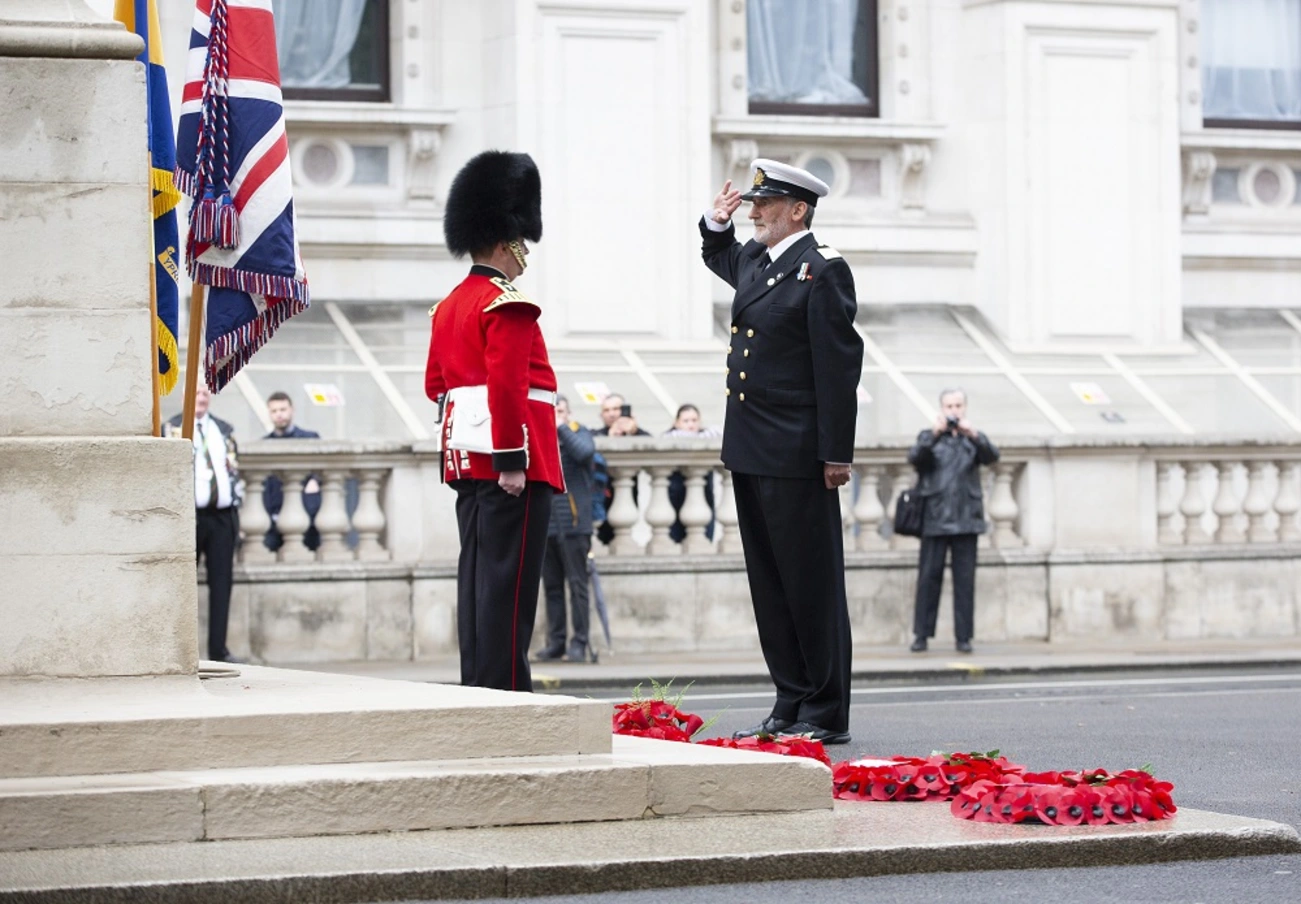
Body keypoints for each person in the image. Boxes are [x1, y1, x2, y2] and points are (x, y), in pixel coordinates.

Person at [699, 158, 864, 745]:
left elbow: (839, 367)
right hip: (749, 446)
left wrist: (835, 453)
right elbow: (722, 258)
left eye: (764, 204)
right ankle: (790, 699)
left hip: (797, 453)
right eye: (751, 203)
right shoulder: (759, 262)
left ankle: (825, 710)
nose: (753, 211)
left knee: (810, 583)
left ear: (798, 210)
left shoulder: (822, 271)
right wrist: (713, 225)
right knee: (770, 585)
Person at [425, 149, 563, 693]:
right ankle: (506, 691)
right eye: (520, 246)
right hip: (514, 464)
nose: (522, 256)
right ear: (507, 242)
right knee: (509, 586)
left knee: (479, 578)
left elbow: (436, 387)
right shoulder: (504, 304)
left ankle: (479, 684)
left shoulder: (450, 305)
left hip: (466, 460)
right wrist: (510, 459)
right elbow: (507, 387)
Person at [906, 388, 1000, 655]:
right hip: (935, 518)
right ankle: (921, 635)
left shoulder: (973, 439)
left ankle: (964, 637)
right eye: (949, 406)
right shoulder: (929, 437)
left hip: (966, 520)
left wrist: (974, 434)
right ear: (941, 408)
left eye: (958, 405)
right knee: (928, 579)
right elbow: (914, 458)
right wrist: (935, 434)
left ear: (965, 408)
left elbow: (993, 457)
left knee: (964, 581)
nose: (954, 411)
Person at [165, 384, 243, 663]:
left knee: (222, 583)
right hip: (190, 517)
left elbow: (235, 468)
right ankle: (181, 652)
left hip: (222, 517)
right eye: (196, 393)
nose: (202, 398)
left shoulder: (224, 428)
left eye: (205, 393)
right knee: (183, 585)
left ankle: (219, 650)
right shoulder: (171, 427)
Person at [537, 395, 599, 664]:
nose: (555, 414)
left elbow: (585, 453)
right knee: (552, 587)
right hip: (547, 525)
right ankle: (556, 641)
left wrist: (561, 426)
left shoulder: (578, 433)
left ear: (568, 413)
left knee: (577, 586)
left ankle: (580, 642)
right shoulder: (541, 436)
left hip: (574, 525)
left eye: (560, 410)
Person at [261, 391, 321, 552]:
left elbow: (320, 470)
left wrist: (315, 480)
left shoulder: (310, 438)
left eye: (282, 409)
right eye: (274, 411)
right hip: (273, 518)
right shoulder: (264, 444)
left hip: (307, 517)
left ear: (291, 410)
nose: (279, 415)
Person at [592, 391, 650, 546]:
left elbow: (652, 447)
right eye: (606, 410)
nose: (611, 414)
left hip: (627, 497)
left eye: (616, 409)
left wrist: (634, 431)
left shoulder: (636, 434)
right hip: (601, 496)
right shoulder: (595, 434)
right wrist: (611, 439)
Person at [663, 403, 719, 543]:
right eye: (686, 421)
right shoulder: (669, 436)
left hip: (704, 494)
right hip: (676, 494)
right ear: (676, 422)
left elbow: (719, 432)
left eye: (694, 420)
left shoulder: (708, 434)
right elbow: (673, 437)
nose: (691, 425)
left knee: (705, 534)